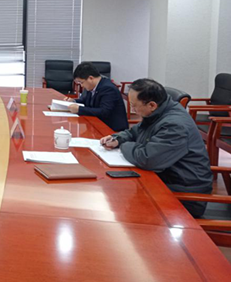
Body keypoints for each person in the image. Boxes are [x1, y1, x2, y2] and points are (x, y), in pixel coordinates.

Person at [100, 78, 213, 217]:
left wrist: (124, 145)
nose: (133, 110)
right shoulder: (159, 112)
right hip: (164, 179)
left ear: (152, 105)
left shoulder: (174, 125)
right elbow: (135, 131)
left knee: (121, 204)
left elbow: (147, 159)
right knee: (115, 192)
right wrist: (118, 138)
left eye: (134, 106)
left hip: (185, 194)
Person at [64, 61, 128, 132]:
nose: (81, 85)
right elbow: (86, 101)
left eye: (81, 82)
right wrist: (74, 101)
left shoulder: (108, 88)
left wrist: (79, 109)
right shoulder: (92, 86)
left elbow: (104, 112)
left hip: (112, 130)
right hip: (98, 124)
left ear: (90, 78)